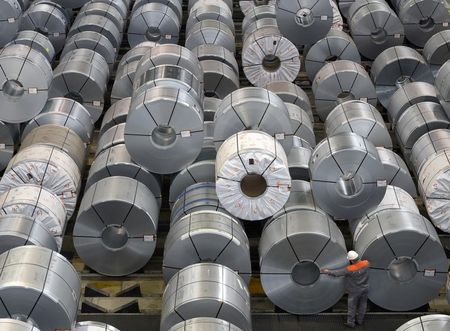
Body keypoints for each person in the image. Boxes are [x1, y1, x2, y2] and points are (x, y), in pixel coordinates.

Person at [322, 250, 370, 329]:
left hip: (354, 291)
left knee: (352, 307)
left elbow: (337, 273)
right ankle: (360, 320)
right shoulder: (367, 263)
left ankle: (351, 323)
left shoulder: (350, 269)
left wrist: (327, 271)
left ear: (351, 260)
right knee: (363, 305)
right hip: (365, 288)